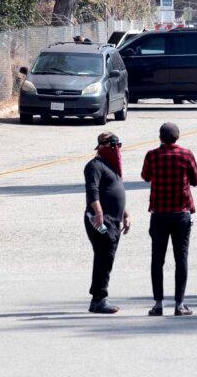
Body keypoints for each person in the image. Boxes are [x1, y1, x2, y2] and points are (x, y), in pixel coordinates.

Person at [141, 122, 197, 316]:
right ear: (178, 137)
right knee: (181, 258)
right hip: (181, 213)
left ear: (160, 137)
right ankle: (179, 304)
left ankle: (158, 304)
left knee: (157, 260)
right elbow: (195, 180)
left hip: (159, 214)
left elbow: (145, 176)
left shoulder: (152, 155)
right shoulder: (186, 154)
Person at [83, 132, 130, 314]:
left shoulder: (112, 166)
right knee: (105, 256)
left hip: (113, 220)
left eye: (118, 146)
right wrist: (99, 213)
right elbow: (92, 190)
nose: (116, 149)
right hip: (100, 219)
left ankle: (98, 298)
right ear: (102, 147)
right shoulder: (94, 166)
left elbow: (115, 191)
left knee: (105, 257)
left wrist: (125, 213)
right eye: (113, 146)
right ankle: (99, 299)